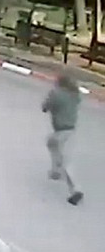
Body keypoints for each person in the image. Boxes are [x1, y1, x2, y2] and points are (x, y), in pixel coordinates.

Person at [42, 73, 83, 205]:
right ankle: (55, 171)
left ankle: (76, 190)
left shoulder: (56, 93)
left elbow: (45, 107)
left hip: (61, 131)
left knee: (66, 162)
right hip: (70, 131)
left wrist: (50, 101)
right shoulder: (74, 95)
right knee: (51, 143)